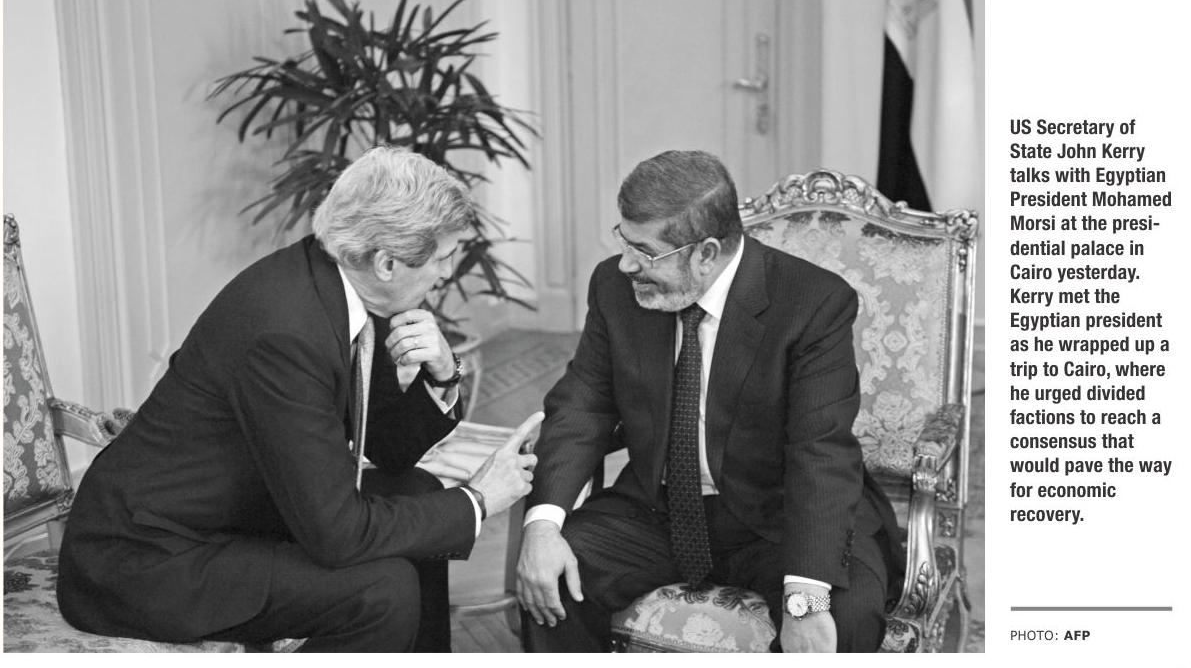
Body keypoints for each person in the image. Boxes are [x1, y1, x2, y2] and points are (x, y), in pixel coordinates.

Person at [56, 146, 538, 652]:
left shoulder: (342, 286)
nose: (445, 272)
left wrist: (442, 374)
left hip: (233, 511)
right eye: (442, 258)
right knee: (382, 592)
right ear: (387, 262)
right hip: (150, 559)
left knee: (415, 489)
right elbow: (338, 536)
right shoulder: (286, 334)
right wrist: (478, 500)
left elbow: (390, 450)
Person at [515, 150, 905, 653]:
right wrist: (543, 527)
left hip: (779, 517)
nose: (627, 263)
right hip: (656, 509)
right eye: (624, 240)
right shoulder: (615, 287)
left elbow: (821, 449)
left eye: (645, 251)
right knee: (552, 581)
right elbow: (581, 405)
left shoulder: (812, 303)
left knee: (841, 623)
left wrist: (806, 599)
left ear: (706, 253)